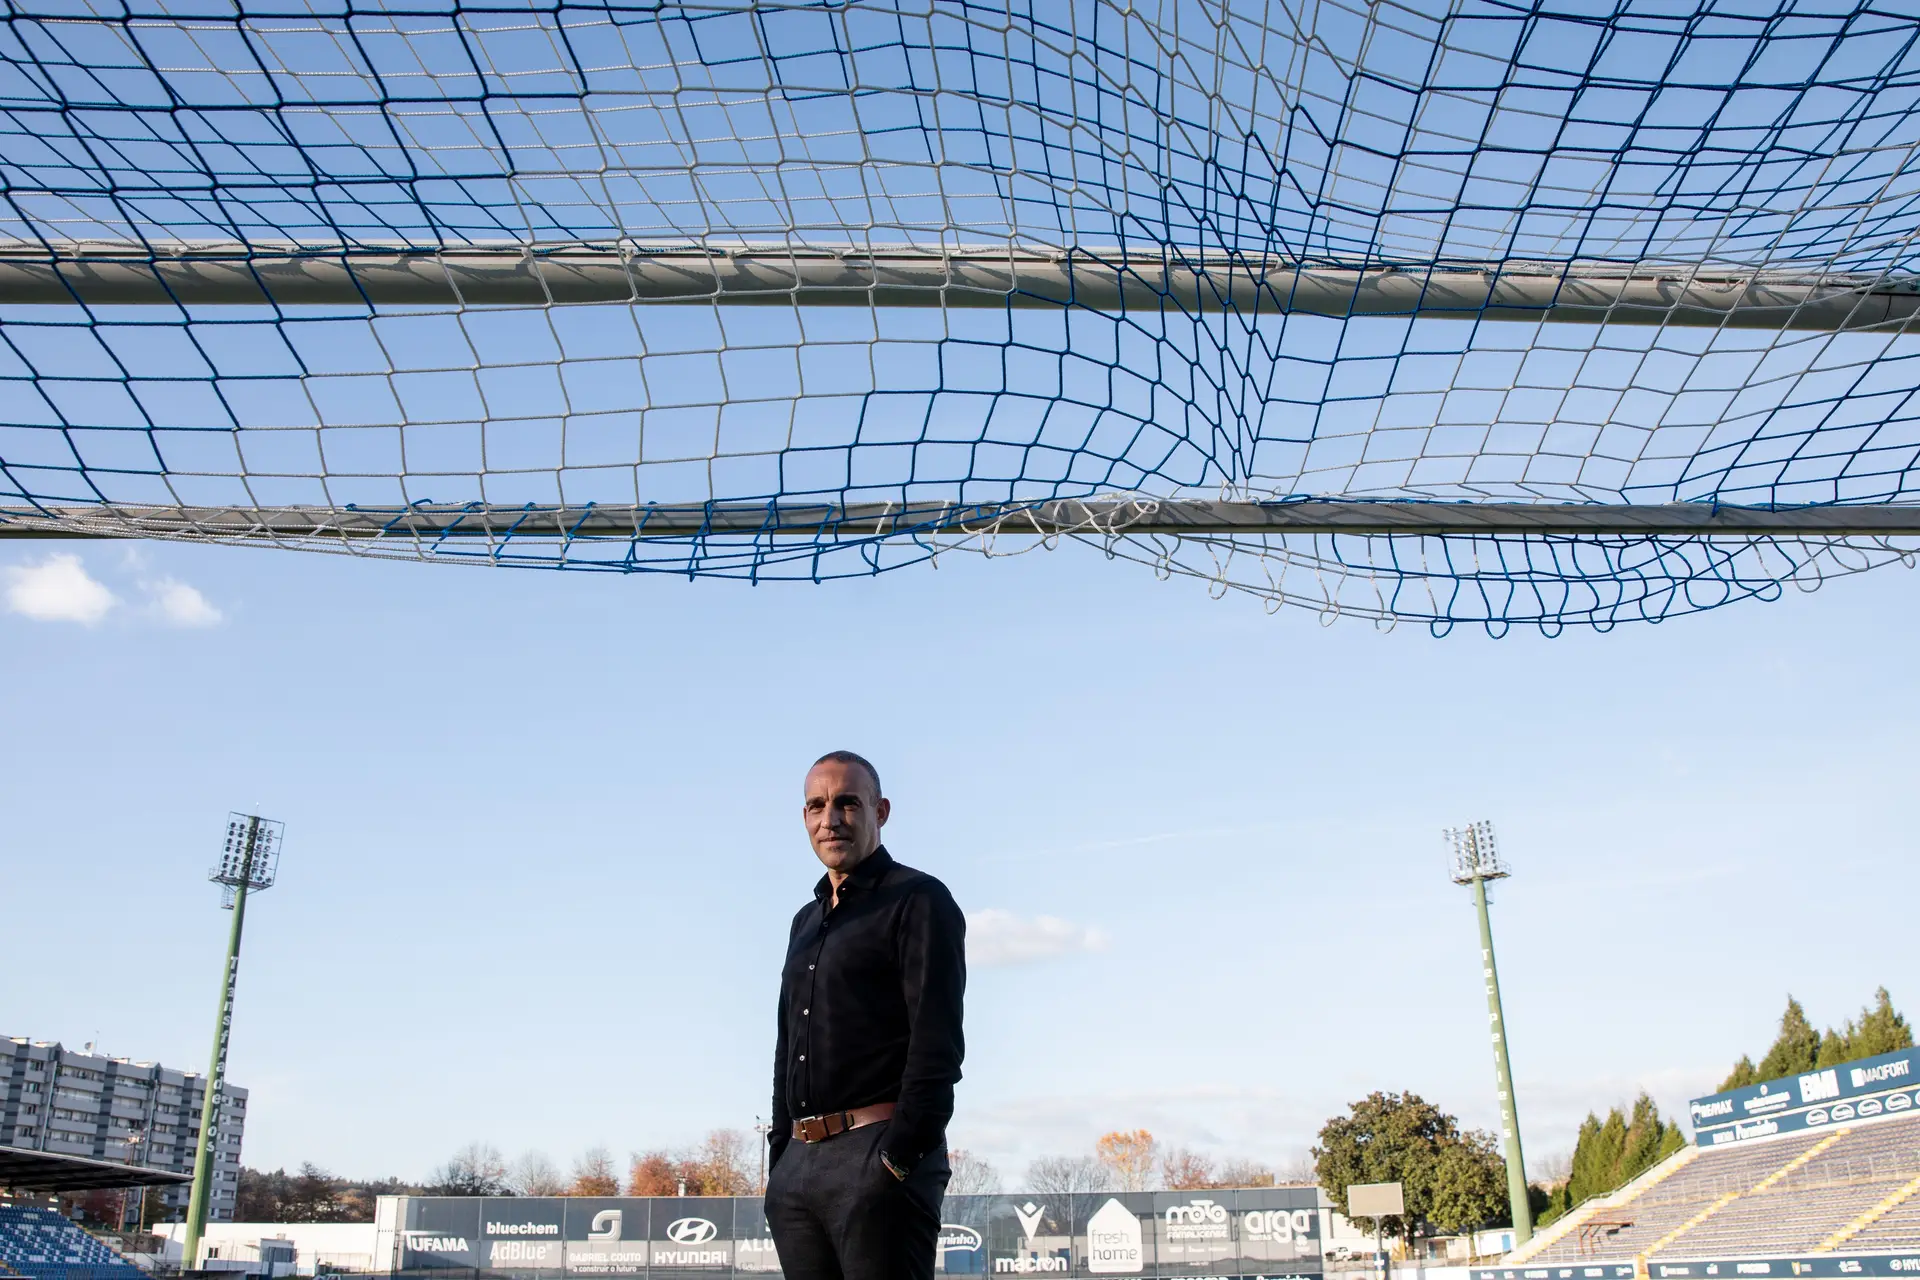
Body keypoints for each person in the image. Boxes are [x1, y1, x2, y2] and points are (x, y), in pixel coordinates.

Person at [763, 750, 967, 1280]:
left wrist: (898, 1159)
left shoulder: (919, 900)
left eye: (847, 803)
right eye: (815, 806)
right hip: (799, 1170)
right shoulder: (804, 922)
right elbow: (788, 1045)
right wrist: (779, 1161)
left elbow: (937, 1045)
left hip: (877, 1157)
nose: (829, 819)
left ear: (882, 811)